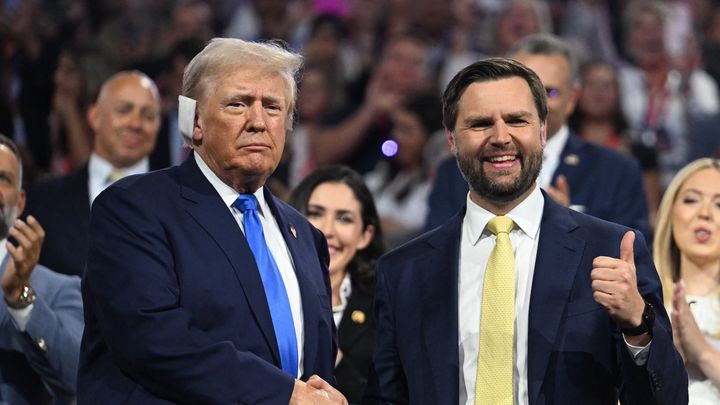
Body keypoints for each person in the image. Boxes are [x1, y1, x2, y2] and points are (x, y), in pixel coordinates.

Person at [363, 57, 686, 404]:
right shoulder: (403, 272)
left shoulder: (609, 248)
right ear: (451, 140)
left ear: (543, 131)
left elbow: (667, 398)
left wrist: (637, 327)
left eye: (517, 120)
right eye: (480, 123)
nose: (501, 137)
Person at [77, 38, 346, 404]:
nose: (258, 122)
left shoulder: (306, 237)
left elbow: (316, 368)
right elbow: (152, 340)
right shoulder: (134, 208)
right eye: (238, 104)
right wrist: (283, 394)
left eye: (273, 107)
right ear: (196, 122)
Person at [425, 34, 651, 242]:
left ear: (572, 99)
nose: (537, 102)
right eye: (524, 91)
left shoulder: (617, 171)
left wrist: (567, 226)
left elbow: (630, 265)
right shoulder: (453, 173)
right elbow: (434, 259)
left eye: (550, 92)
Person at [24, 70, 163, 276]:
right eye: (124, 110)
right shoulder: (39, 203)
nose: (135, 123)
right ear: (95, 116)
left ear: (158, 125)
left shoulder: (184, 205)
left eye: (148, 115)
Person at [289, 165, 385, 404]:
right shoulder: (267, 293)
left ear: (365, 235)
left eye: (344, 218)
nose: (327, 231)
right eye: (315, 213)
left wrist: (331, 353)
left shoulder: (386, 307)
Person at [0, 134, 83, 404]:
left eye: (3, 178)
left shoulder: (58, 289)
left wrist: (20, 299)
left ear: (20, 202)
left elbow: (75, 377)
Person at [653, 158, 720, 404]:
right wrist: (668, 360)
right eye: (691, 200)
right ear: (671, 212)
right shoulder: (640, 302)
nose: (704, 214)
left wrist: (702, 352)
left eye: (719, 204)